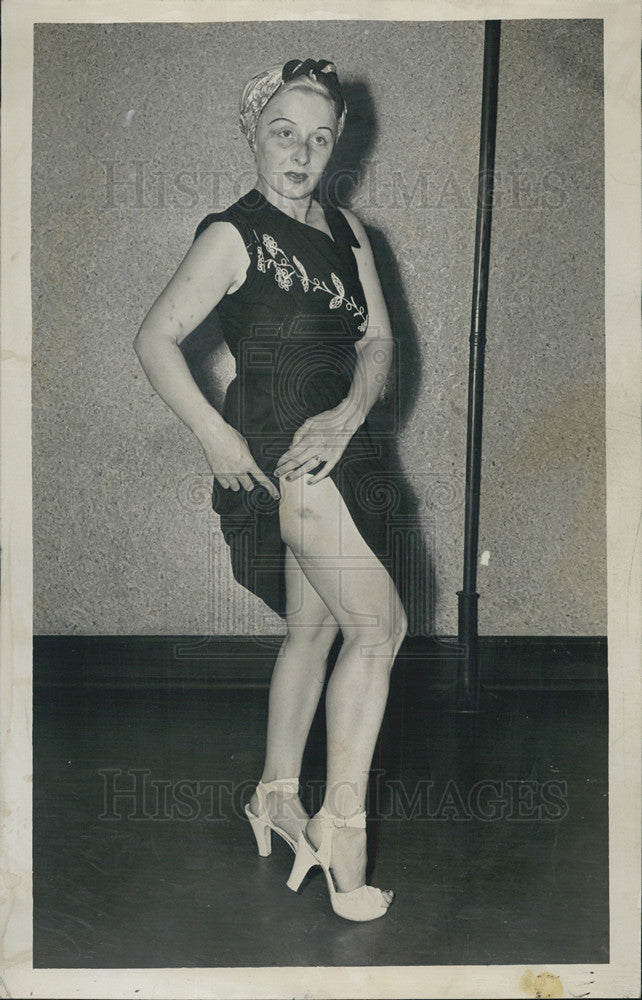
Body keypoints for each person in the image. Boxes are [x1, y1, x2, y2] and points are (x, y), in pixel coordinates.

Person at [134, 57, 407, 922]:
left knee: (314, 630)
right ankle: (343, 827)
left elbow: (378, 343)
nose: (301, 151)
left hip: (344, 453)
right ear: (253, 134)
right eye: (283, 132)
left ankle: (275, 796)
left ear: (335, 148)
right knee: (381, 626)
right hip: (284, 459)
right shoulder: (233, 233)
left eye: (319, 137)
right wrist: (216, 437)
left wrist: (352, 417)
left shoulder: (348, 230)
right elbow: (155, 339)